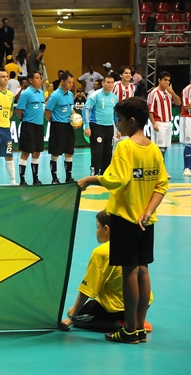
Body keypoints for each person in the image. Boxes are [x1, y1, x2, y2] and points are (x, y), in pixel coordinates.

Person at [77, 96, 168, 344]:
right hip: (145, 221)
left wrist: (89, 180)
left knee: (129, 271)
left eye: (119, 120)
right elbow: (162, 184)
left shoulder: (125, 146)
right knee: (143, 269)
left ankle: (129, 330)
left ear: (132, 120)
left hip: (126, 219)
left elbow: (117, 179)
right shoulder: (152, 147)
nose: (117, 125)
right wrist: (148, 211)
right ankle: (138, 327)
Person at [59, 210, 154, 333]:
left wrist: (71, 318)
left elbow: (88, 289)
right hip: (142, 305)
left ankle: (118, 324)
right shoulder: (133, 244)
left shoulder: (101, 252)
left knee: (75, 316)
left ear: (106, 229)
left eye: (97, 227)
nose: (95, 231)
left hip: (115, 310)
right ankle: (137, 320)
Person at [147, 71, 181, 180]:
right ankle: (161, 170)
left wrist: (172, 92)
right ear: (159, 80)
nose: (167, 82)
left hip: (168, 123)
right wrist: (154, 124)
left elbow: (179, 103)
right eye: (165, 80)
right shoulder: (153, 93)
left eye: (168, 80)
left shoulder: (168, 93)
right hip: (159, 123)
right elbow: (150, 110)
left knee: (165, 147)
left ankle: (159, 169)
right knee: (159, 147)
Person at [83, 75, 119, 176]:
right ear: (103, 83)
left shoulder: (114, 98)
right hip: (97, 126)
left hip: (109, 127)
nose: (110, 84)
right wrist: (87, 126)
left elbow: (115, 114)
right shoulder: (95, 95)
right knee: (97, 151)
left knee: (108, 151)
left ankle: (105, 172)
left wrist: (118, 128)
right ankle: (94, 171)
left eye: (112, 82)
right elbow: (86, 109)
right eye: (108, 82)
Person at [45, 71, 76, 184]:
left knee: (69, 152)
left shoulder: (70, 94)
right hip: (58, 126)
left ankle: (69, 177)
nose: (71, 85)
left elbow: (71, 109)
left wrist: (75, 118)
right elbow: (47, 112)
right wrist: (54, 123)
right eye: (69, 82)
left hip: (68, 126)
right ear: (62, 81)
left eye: (72, 82)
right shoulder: (55, 96)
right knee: (56, 153)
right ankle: (54, 178)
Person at [16, 71, 46, 185]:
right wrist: (25, 120)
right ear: (30, 80)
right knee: (26, 152)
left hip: (39, 126)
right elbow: (19, 111)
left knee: (37, 152)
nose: (40, 80)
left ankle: (35, 178)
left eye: (40, 78)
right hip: (28, 126)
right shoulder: (26, 94)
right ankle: (22, 179)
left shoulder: (42, 93)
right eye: (37, 78)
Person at [181, 83, 191, 177]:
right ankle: (187, 168)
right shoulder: (187, 89)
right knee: (189, 143)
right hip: (188, 118)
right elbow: (187, 106)